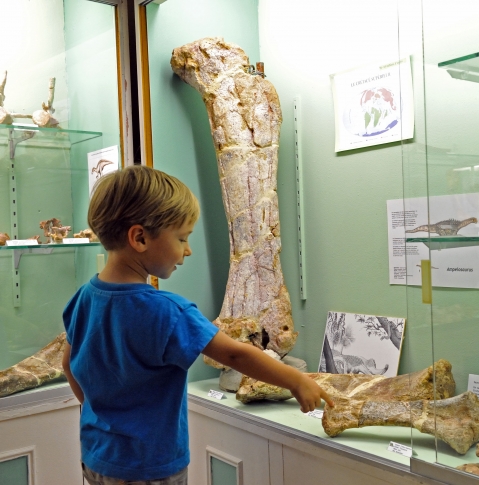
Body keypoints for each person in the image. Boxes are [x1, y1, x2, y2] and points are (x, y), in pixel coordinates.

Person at [62, 165, 333, 485]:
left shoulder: (84, 298)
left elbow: (68, 364)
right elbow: (234, 356)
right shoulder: (167, 311)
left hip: (98, 457)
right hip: (150, 467)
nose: (187, 250)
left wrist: (101, 416)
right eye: (181, 238)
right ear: (140, 237)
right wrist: (295, 380)